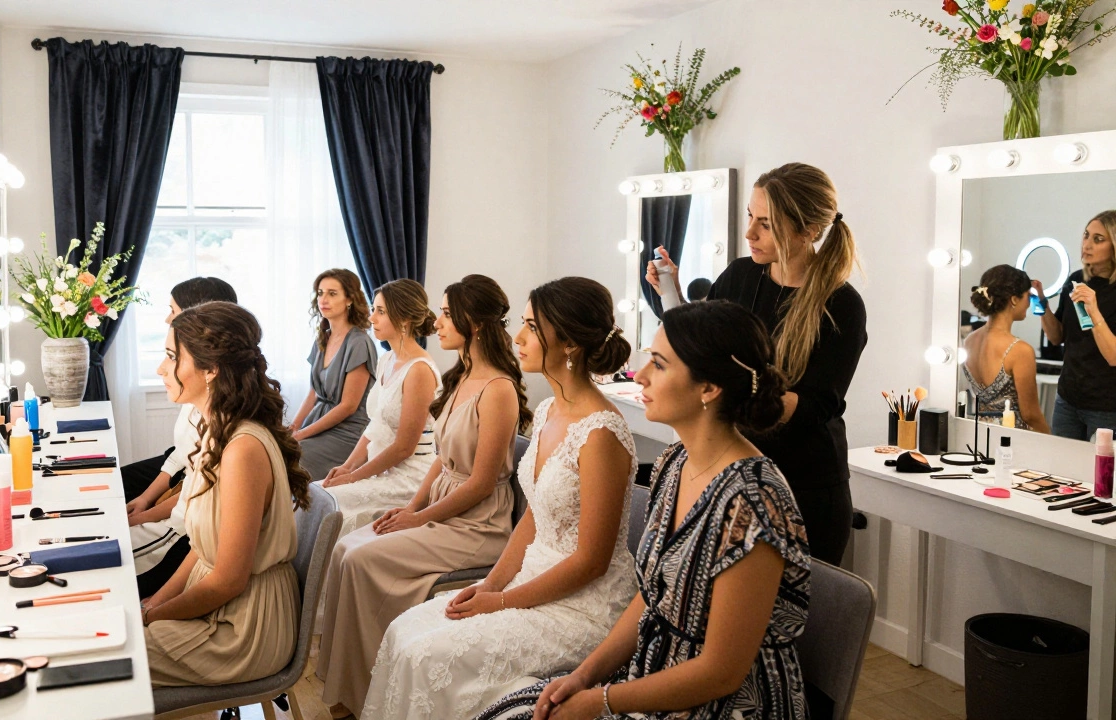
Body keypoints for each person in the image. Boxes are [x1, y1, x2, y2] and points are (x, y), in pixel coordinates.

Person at [479, 300, 810, 720]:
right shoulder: (675, 463)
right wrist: (584, 676)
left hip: (727, 705)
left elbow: (721, 672)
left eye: (659, 363)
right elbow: (652, 597)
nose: (640, 374)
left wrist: (601, 700)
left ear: (708, 388)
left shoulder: (754, 501)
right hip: (652, 675)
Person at [362, 277, 639, 720]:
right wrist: (490, 584)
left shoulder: (601, 432)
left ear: (566, 342)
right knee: (405, 629)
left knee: (428, 654)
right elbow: (534, 518)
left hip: (584, 605)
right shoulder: (549, 411)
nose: (517, 337)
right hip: (528, 575)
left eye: (531, 326)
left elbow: (592, 561)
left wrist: (504, 600)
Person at [317, 274, 532, 719]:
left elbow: (478, 483)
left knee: (362, 558)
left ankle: (371, 692)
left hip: (480, 522)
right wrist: (411, 507)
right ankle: (347, 687)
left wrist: (420, 519)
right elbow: (439, 458)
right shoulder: (461, 377)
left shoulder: (498, 390)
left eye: (449, 314)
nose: (437, 322)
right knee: (345, 547)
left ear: (474, 324)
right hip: (442, 505)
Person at [648, 163, 866, 564]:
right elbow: (700, 349)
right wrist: (671, 294)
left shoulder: (841, 305)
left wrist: (729, 391)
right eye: (751, 216)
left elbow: (817, 406)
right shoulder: (741, 275)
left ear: (808, 231)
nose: (749, 232)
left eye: (765, 223)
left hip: (803, 484)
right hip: (733, 470)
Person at [142, 302, 312, 687]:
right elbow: (202, 551)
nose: (160, 369)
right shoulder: (215, 431)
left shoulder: (242, 449)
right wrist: (154, 605)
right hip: (221, 602)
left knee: (108, 664)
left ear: (211, 369)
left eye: (172, 357)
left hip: (245, 627)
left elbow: (228, 581)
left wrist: (153, 617)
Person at [124, 277, 239, 599]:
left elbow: (194, 504)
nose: (161, 369)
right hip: (179, 525)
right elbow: (186, 469)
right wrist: (145, 503)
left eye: (171, 357)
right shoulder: (202, 408)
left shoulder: (230, 434)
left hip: (180, 535)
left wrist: (156, 608)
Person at [322, 278, 442, 540]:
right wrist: (347, 467)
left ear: (404, 320)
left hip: (408, 477)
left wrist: (354, 478)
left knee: (328, 501)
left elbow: (404, 447)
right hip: (380, 469)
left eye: (381, 311)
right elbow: (375, 424)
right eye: (374, 309)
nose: (371, 318)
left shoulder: (419, 370)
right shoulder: (387, 359)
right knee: (317, 492)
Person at [122, 277, 238, 505]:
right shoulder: (196, 380)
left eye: (172, 311)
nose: (168, 318)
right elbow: (182, 453)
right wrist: (146, 500)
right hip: (182, 466)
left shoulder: (206, 384)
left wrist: (146, 515)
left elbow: (197, 486)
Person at [292, 268, 379, 480]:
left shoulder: (359, 343)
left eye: (332, 293)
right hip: (318, 422)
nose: (324, 299)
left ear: (349, 299)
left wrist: (302, 434)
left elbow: (348, 406)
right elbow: (313, 393)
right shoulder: (323, 338)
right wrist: (293, 428)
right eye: (320, 293)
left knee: (291, 458)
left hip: (348, 432)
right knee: (277, 450)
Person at [1039, 211, 1116, 440]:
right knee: (1060, 470)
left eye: (1098, 239)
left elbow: (1113, 356)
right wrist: (1042, 304)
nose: (1087, 244)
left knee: (1103, 474)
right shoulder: (1075, 281)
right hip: (1067, 400)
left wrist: (1093, 309)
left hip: (1108, 407)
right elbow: (1056, 337)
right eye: (1086, 235)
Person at [963, 265, 1049, 433]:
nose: (1029, 303)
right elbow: (1031, 415)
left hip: (979, 434)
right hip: (1011, 440)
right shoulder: (1020, 351)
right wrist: (1053, 442)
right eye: (1028, 296)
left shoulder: (969, 341)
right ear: (1014, 299)